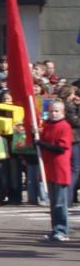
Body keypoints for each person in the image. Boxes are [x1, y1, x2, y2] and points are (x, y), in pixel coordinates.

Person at [38, 99, 73, 243]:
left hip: (59, 169)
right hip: (49, 168)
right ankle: (55, 229)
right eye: (51, 111)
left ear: (62, 112)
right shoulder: (48, 125)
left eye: (56, 111)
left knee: (60, 203)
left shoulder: (64, 126)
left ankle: (62, 230)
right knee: (53, 203)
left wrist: (43, 144)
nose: (53, 113)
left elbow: (61, 148)